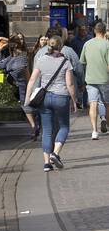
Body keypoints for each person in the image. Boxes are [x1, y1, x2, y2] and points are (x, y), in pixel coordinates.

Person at [25, 35, 78, 173]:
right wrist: (74, 100)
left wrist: (27, 98)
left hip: (45, 98)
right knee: (64, 126)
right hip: (61, 97)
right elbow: (70, 84)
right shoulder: (65, 62)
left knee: (47, 131)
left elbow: (32, 80)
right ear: (61, 46)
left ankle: (46, 163)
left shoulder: (41, 60)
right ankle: (56, 153)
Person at [0, 38, 38, 139]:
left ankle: (35, 127)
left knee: (27, 106)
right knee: (26, 106)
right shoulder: (11, 57)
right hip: (17, 87)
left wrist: (31, 86)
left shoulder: (22, 56)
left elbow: (23, 71)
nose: (12, 46)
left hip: (24, 86)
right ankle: (34, 126)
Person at [79, 21, 109, 140]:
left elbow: (82, 61)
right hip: (105, 79)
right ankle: (106, 123)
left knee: (93, 104)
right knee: (106, 104)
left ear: (94, 31)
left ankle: (94, 131)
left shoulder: (87, 44)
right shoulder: (107, 44)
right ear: (104, 31)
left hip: (90, 78)